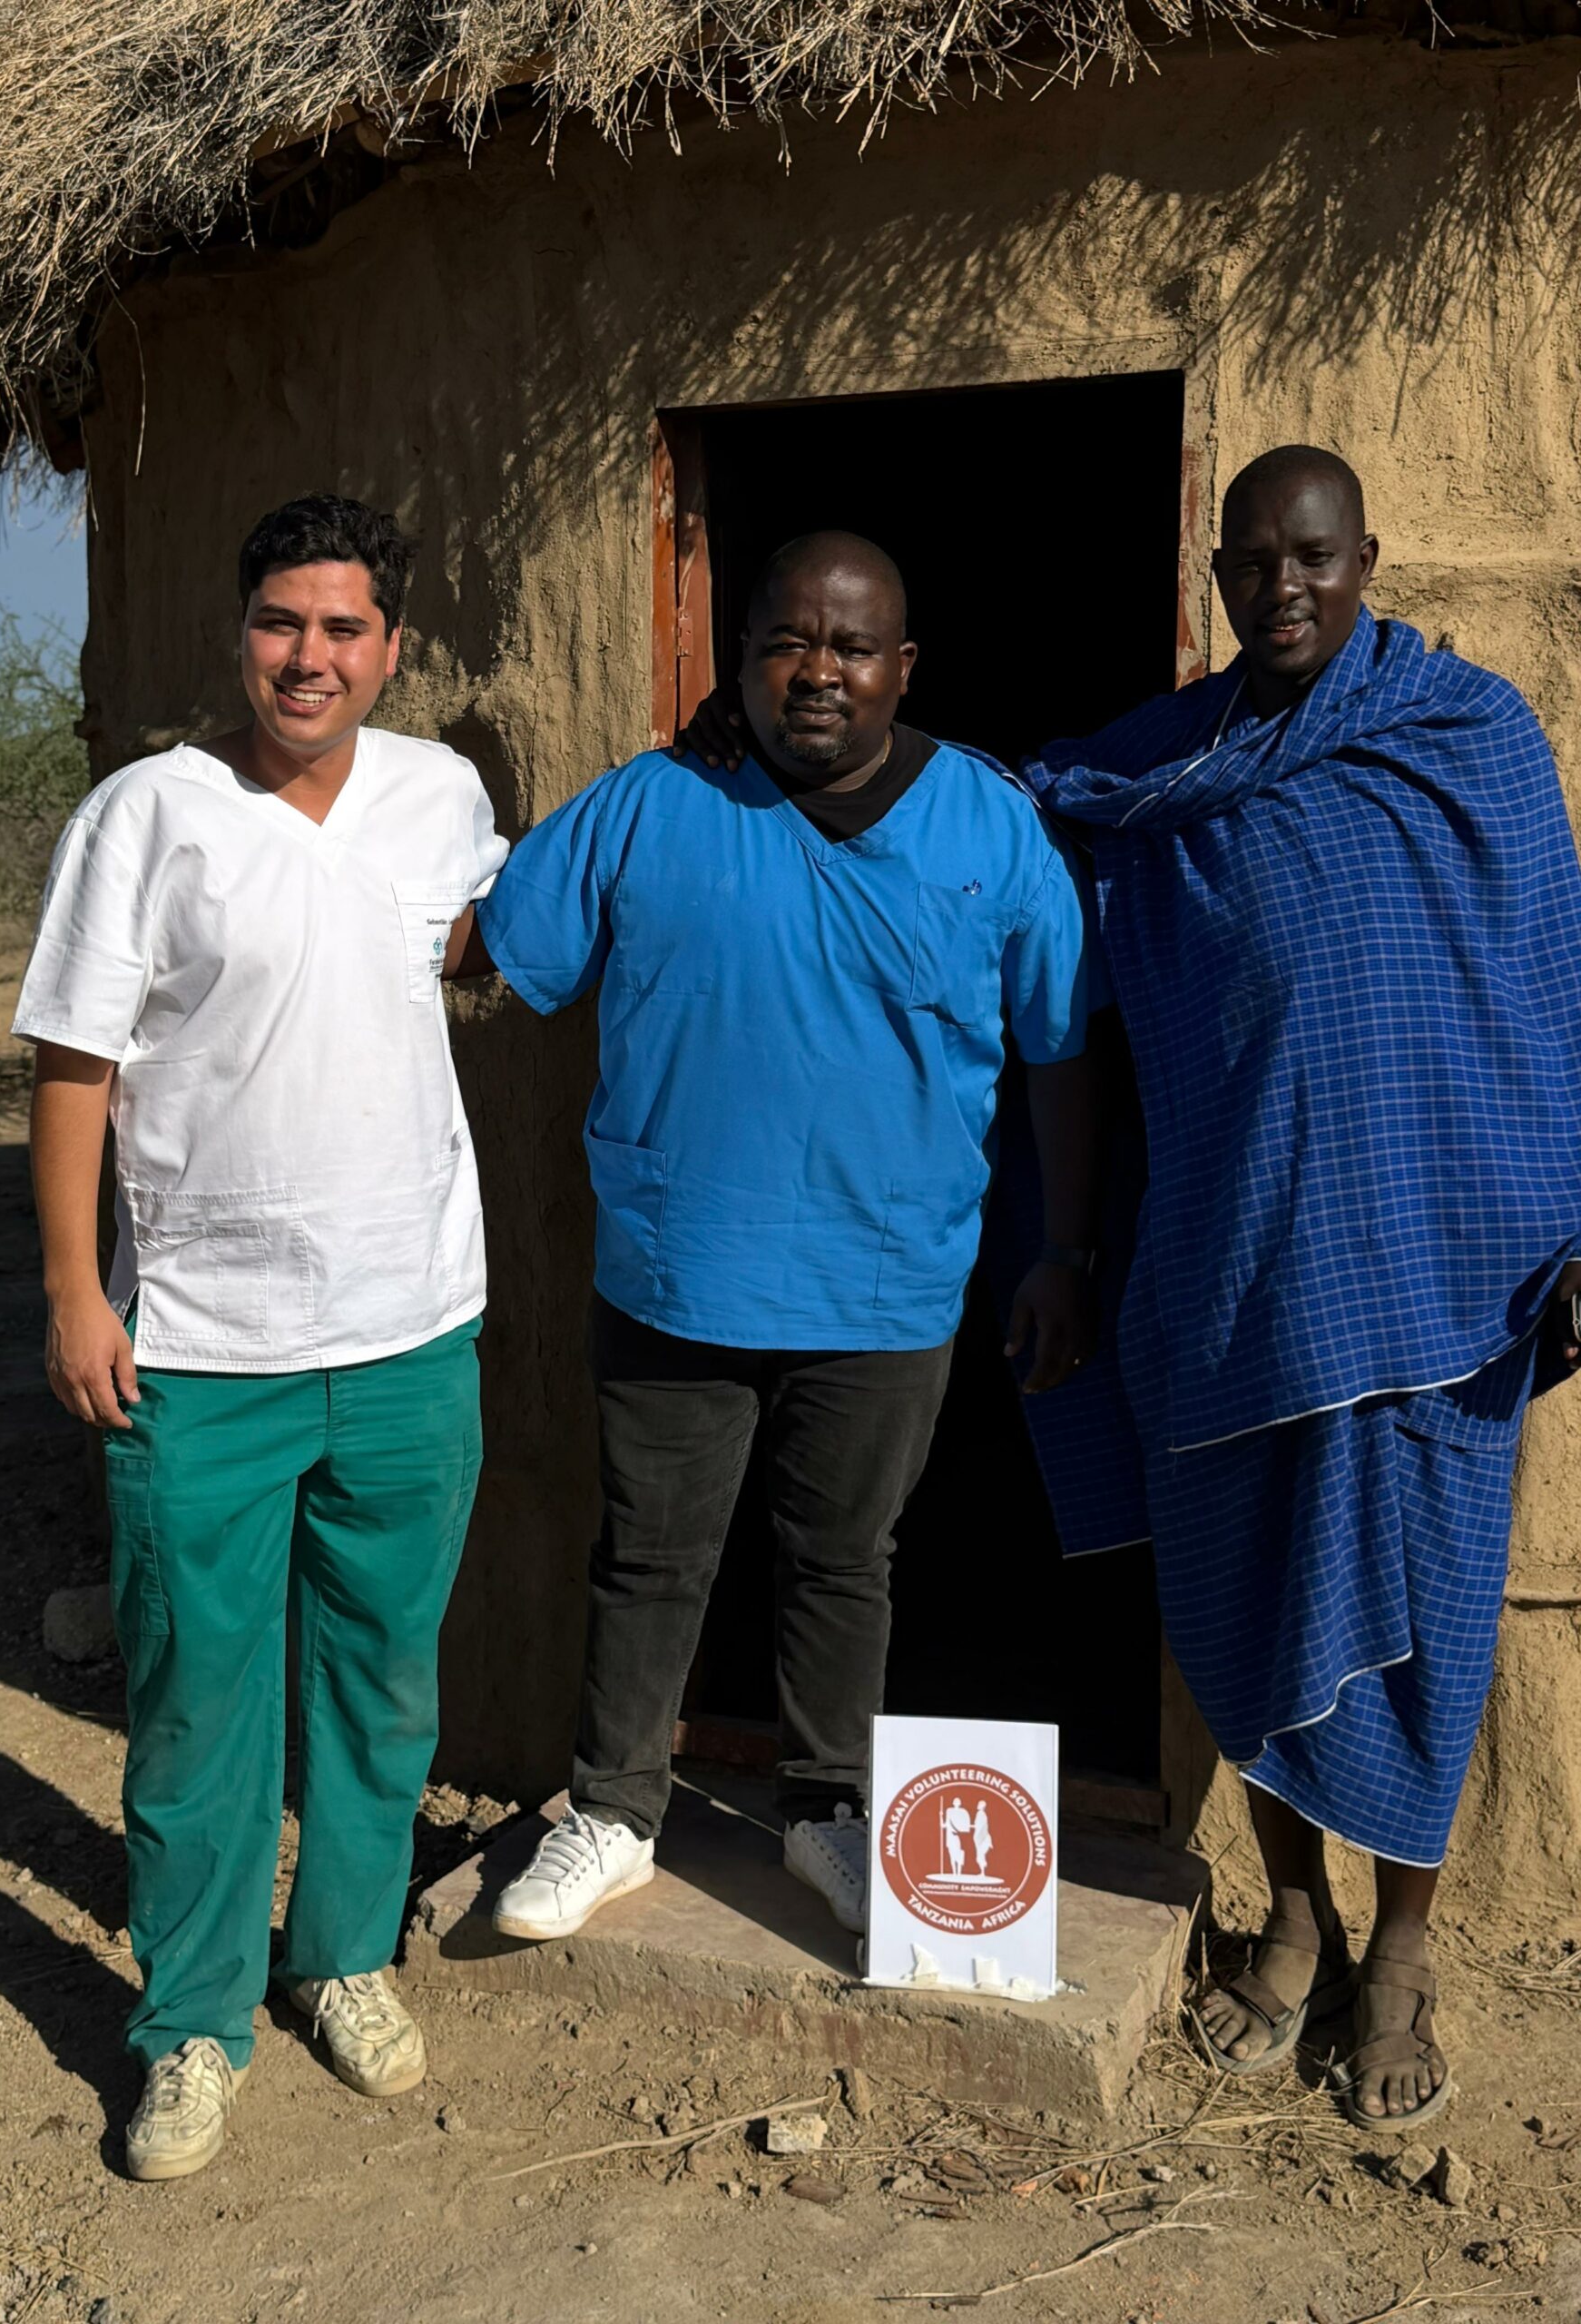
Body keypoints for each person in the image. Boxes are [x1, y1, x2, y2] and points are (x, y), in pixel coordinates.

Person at [1019, 448, 1581, 2128]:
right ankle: (1294, 1917)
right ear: (1215, 575)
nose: (1284, 586)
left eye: (1314, 557)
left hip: (1444, 1273)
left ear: (1368, 561)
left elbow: (1551, 980)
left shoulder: (1468, 736)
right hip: (1230, 1264)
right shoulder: (1157, 772)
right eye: (1253, 560)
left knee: (1426, 1617)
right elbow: (1016, 816)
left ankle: (1400, 1953)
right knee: (1239, 1599)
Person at [447, 531, 1100, 1943]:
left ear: (903, 667)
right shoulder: (653, 802)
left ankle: (828, 1813)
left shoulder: (989, 827)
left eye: (851, 647)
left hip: (888, 1281)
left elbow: (1059, 1048)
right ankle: (615, 1815)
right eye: (786, 643)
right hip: (676, 1269)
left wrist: (1065, 1250)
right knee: (648, 1555)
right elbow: (492, 942)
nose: (817, 671)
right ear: (737, 662)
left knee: (842, 1562)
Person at [15, 495, 506, 2181]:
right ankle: (191, 2023)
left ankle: (343, 1956)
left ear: (392, 648)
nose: (311, 657)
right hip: (203, 1345)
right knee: (196, 1702)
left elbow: (477, 947)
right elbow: (73, 1067)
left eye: (344, 628)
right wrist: (75, 1292)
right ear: (240, 635)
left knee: (380, 1682)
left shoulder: (440, 798)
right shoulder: (149, 815)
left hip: (409, 1326)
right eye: (282, 623)